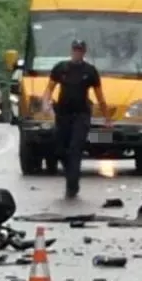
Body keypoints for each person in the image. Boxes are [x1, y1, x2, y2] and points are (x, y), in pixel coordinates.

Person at [41, 39, 112, 198]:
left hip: (81, 115)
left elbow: (100, 97)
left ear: (84, 52)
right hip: (63, 115)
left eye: (80, 50)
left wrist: (107, 118)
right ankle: (70, 173)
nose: (77, 53)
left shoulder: (90, 71)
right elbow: (49, 89)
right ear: (71, 51)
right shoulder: (61, 68)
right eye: (75, 50)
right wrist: (46, 103)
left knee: (75, 149)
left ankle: (72, 185)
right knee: (60, 150)